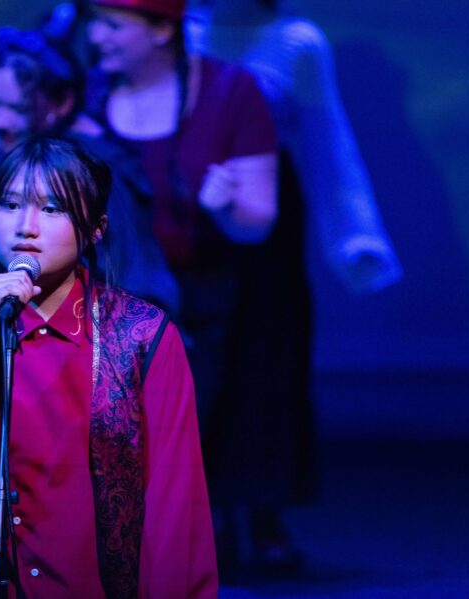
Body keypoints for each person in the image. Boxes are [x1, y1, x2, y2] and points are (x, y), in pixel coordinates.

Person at [0, 136, 217, 598]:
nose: (25, 227)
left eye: (51, 209)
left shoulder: (143, 337)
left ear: (95, 228)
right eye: (10, 205)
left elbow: (175, 504)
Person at [186, 0, 402, 573]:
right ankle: (204, 516)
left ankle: (265, 513)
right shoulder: (178, 31)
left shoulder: (296, 42)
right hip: (190, 213)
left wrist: (355, 237)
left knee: (270, 361)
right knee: (197, 366)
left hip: (269, 219)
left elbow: (329, 142)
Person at [83, 0, 279, 575]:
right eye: (95, 22)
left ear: (161, 30)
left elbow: (258, 220)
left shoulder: (229, 92)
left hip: (196, 304)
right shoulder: (87, 94)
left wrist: (226, 206)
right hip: (102, 305)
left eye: (113, 25)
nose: (97, 36)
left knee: (180, 453)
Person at [0, 22, 180, 316]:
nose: (0, 122)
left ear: (62, 103)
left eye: (18, 109)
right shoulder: (14, 152)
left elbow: (136, 280)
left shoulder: (93, 170)